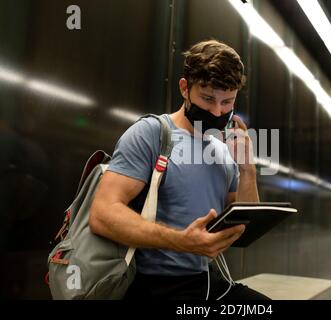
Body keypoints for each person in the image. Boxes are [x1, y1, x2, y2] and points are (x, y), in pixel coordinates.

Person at [89, 39, 269, 300]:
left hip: (207, 280)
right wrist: (181, 241)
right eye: (207, 99)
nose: (217, 111)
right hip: (152, 284)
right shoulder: (151, 134)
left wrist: (248, 170)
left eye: (227, 102)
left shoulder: (223, 149)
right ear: (185, 88)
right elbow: (103, 214)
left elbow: (244, 227)